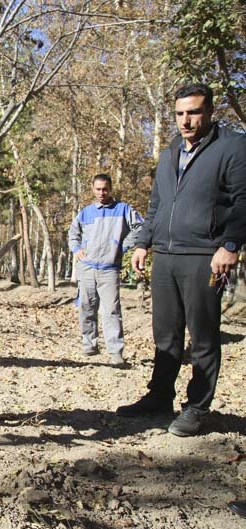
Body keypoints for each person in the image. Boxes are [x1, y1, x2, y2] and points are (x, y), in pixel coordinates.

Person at [117, 83, 246, 436]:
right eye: (179, 113)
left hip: (206, 255)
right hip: (167, 256)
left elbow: (242, 200)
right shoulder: (171, 151)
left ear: (210, 112)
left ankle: (198, 407)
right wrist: (144, 242)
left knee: (202, 337)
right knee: (165, 335)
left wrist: (231, 245)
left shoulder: (233, 147)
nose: (185, 120)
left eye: (193, 112)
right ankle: (159, 397)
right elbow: (157, 205)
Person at [68, 173, 143, 365]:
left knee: (111, 310)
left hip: (109, 269)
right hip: (87, 268)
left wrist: (122, 246)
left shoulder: (123, 209)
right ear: (92, 189)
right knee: (86, 307)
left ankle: (115, 352)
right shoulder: (85, 212)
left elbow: (140, 228)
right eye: (98, 189)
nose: (102, 193)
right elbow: (73, 234)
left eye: (105, 189)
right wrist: (77, 249)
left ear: (111, 189)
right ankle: (89, 345)